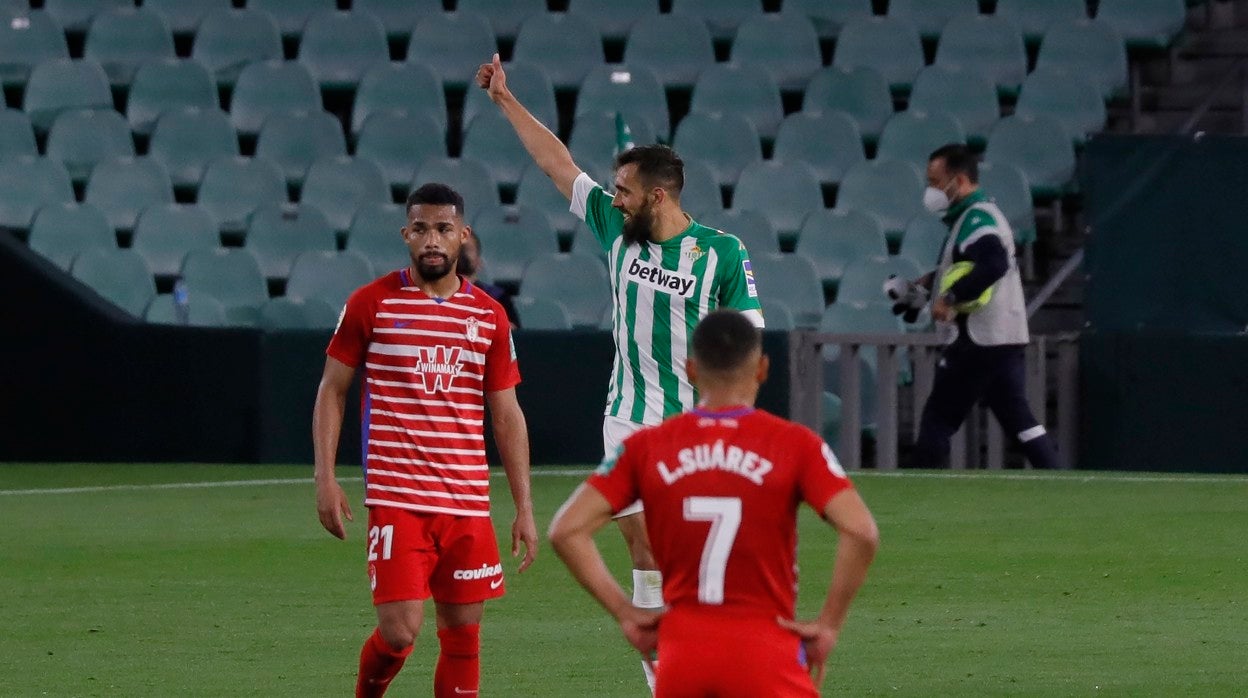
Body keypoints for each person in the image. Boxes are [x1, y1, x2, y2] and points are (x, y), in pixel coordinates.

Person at [476, 53, 765, 689]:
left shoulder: (721, 252)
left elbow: (750, 336)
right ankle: (665, 677)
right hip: (629, 418)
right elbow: (557, 165)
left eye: (626, 189)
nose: (615, 196)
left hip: (696, 425)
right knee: (646, 548)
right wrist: (504, 100)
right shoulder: (616, 228)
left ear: (657, 195)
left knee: (690, 562)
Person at [549, 309, 878, 697]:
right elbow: (861, 531)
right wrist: (829, 625)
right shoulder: (796, 444)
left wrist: (627, 612)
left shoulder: (645, 447)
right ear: (762, 368)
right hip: (766, 651)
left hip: (683, 656)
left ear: (690, 369)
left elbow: (566, 530)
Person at [312, 183, 539, 698]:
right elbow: (332, 390)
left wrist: (523, 506)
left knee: (463, 640)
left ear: (463, 235)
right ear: (405, 235)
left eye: (442, 229)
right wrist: (325, 476)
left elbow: (506, 415)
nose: (431, 240)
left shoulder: (489, 317)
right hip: (398, 501)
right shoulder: (371, 303)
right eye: (420, 229)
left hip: (466, 504)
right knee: (399, 633)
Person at [895, 143, 1060, 469]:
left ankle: (915, 488)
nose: (931, 191)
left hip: (977, 339)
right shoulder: (977, 216)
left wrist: (950, 298)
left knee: (938, 418)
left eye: (935, 182)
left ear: (959, 180)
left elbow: (992, 264)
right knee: (1019, 420)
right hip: (1002, 338)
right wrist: (929, 283)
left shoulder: (976, 219)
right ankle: (1059, 479)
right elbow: (968, 264)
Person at [457, 229, 520, 326]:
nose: (461, 254)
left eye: (467, 249)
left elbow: (513, 333)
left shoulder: (497, 297)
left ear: (479, 262)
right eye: (458, 249)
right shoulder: (436, 295)